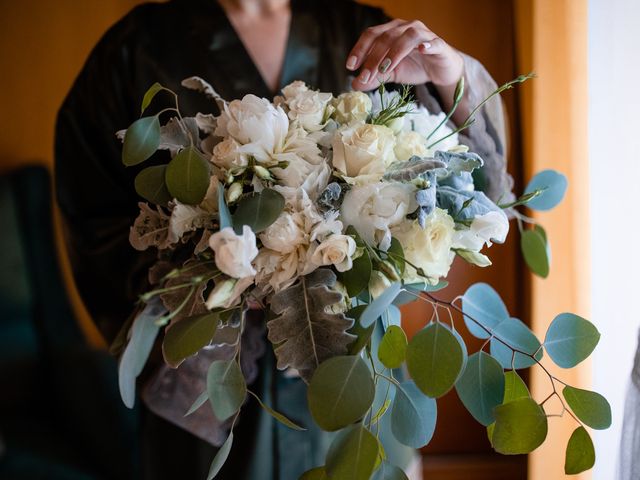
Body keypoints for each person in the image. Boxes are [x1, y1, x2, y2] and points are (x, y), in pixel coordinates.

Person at [55, 0, 512, 478]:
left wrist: (451, 77)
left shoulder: (368, 36)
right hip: (213, 390)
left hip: (349, 371)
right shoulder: (134, 49)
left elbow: (477, 192)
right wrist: (213, 282)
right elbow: (95, 222)